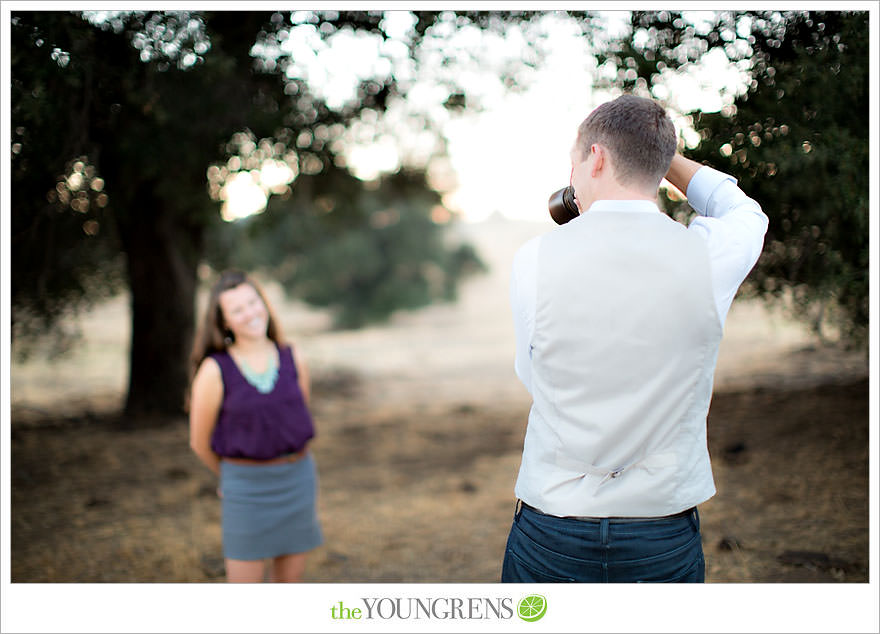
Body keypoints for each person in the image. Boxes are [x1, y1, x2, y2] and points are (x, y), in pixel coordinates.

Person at [502, 94, 768, 583]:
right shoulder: (708, 254)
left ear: (596, 157)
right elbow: (742, 209)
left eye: (575, 165)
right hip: (661, 528)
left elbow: (530, 372)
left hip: (553, 525)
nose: (573, 182)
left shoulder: (534, 259)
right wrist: (665, 160)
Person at [188, 269, 323, 582]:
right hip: (245, 490)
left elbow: (295, 417)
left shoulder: (292, 356)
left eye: (253, 302)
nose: (250, 313)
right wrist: (233, 479)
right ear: (224, 323)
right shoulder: (214, 370)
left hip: (297, 480)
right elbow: (199, 442)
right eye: (237, 309)